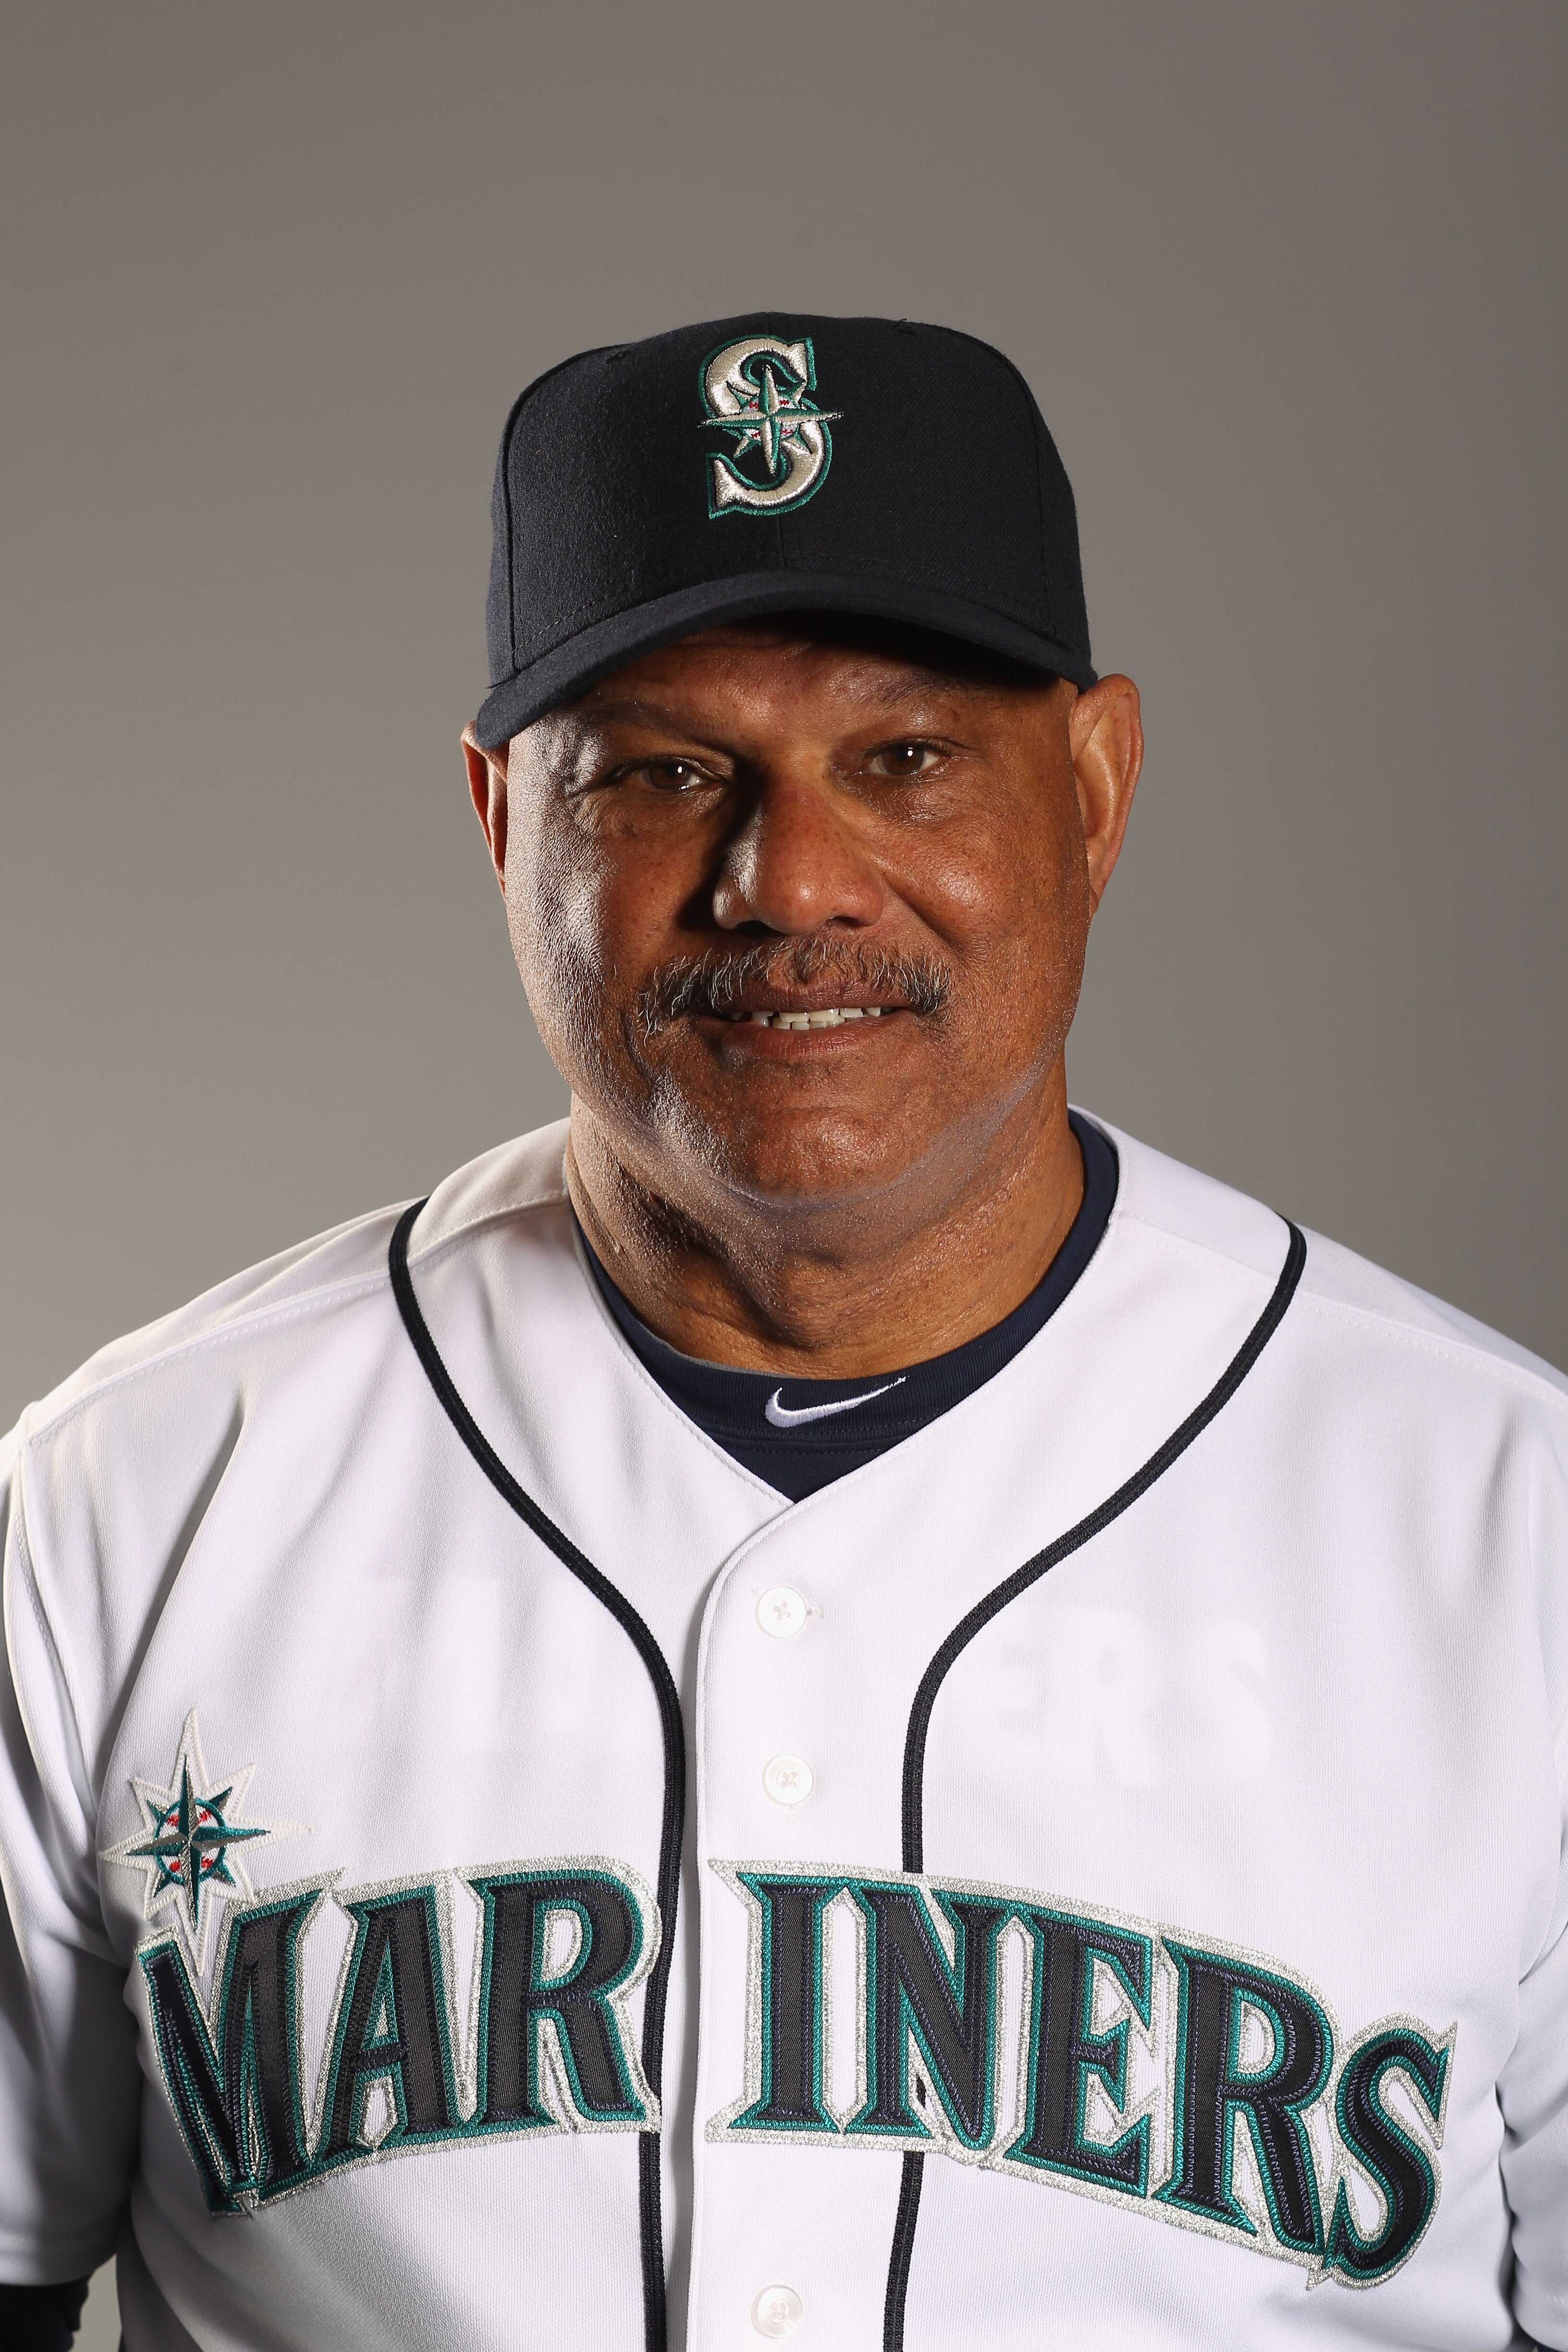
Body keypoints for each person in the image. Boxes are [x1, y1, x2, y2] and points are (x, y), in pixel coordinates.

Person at [1, 314, 1564, 2352]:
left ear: (1095, 786)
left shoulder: (1508, 1528)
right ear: (500, 819)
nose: (789, 879)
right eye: (664, 773)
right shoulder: (120, 1509)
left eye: (905, 757)